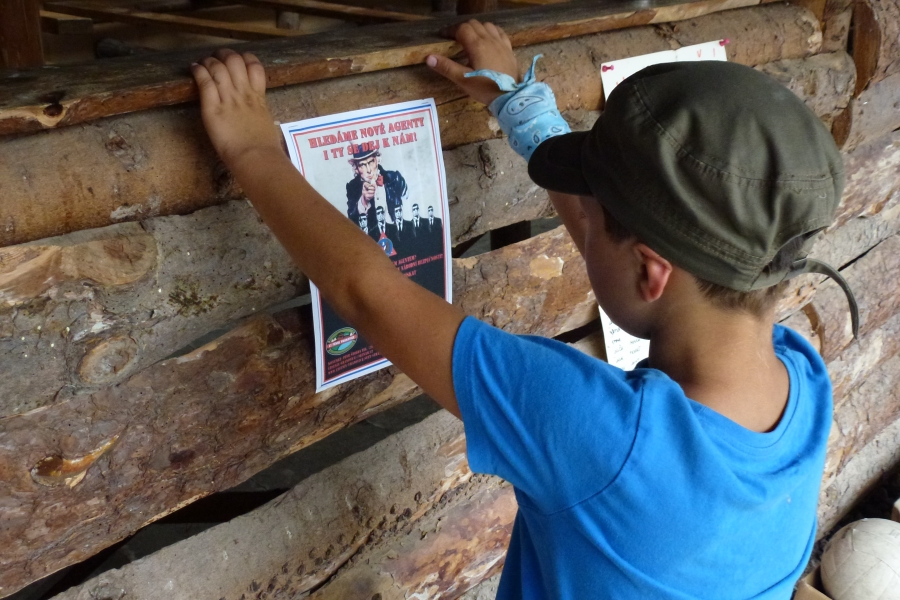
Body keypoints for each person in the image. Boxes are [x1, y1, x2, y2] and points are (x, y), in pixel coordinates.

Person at [191, 18, 857, 599]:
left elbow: (367, 292)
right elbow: (616, 241)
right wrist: (522, 108)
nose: (584, 226)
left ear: (652, 271)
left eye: (595, 222)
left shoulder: (601, 432)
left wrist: (252, 150)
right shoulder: (801, 378)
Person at [345, 146, 408, 228]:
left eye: (371, 162)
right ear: (356, 169)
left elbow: (409, 202)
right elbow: (352, 223)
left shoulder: (395, 178)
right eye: (362, 165)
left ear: (377, 160)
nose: (369, 170)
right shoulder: (352, 187)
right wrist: (363, 201)